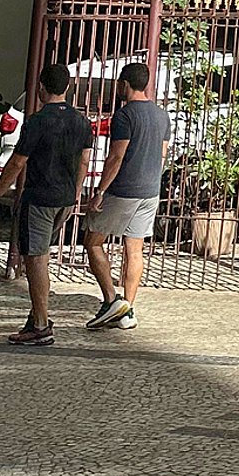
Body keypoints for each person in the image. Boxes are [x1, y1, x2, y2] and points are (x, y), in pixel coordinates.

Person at [0, 62, 92, 349]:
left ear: (41, 88)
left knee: (36, 260)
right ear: (68, 87)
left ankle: (40, 325)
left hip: (40, 198)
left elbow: (17, 162)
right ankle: (36, 316)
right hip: (65, 198)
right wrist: (76, 192)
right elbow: (84, 160)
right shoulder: (82, 122)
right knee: (41, 257)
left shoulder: (36, 121)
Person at [79, 59, 168, 332]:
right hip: (150, 190)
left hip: (124, 189)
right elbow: (162, 154)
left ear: (125, 84)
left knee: (93, 241)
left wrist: (100, 191)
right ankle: (128, 308)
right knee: (134, 250)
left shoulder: (124, 115)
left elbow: (116, 157)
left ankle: (111, 300)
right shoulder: (162, 116)